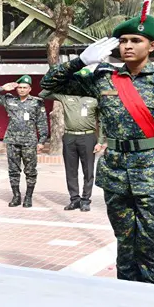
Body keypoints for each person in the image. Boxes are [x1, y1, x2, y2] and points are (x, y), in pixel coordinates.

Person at [40, 1, 154, 285]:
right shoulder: (102, 78)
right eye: (123, 41)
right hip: (115, 173)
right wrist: (80, 62)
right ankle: (125, 296)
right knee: (124, 242)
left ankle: (151, 297)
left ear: (152, 46)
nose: (128, 46)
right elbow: (49, 85)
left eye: (136, 40)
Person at [39, 70, 101, 212]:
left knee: (88, 170)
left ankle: (86, 200)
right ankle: (75, 199)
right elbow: (43, 93)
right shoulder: (66, 97)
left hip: (88, 137)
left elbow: (102, 120)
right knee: (71, 170)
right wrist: (62, 81)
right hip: (69, 137)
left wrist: (100, 140)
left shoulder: (95, 99)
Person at [0, 75, 48, 207]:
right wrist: (2, 88)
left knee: (30, 171)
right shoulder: (9, 99)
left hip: (29, 141)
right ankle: (16, 196)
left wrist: (42, 141)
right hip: (12, 140)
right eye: (19, 87)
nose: (22, 90)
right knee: (13, 170)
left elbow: (42, 122)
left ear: (30, 89)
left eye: (25, 87)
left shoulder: (37, 102)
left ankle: (28, 197)